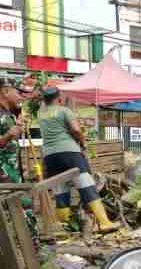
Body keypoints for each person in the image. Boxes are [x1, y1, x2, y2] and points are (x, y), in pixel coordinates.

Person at [38, 87, 120, 232]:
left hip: (50, 156)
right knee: (86, 185)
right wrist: (83, 142)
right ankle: (104, 222)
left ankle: (66, 228)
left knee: (60, 190)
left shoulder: (40, 113)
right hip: (70, 152)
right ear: (59, 98)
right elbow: (75, 130)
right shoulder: (64, 111)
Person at [0, 79, 24, 184]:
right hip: (3, 176)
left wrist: (18, 128)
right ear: (6, 92)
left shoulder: (9, 114)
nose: (20, 97)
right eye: (18, 93)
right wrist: (8, 135)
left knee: (23, 199)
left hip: (13, 174)